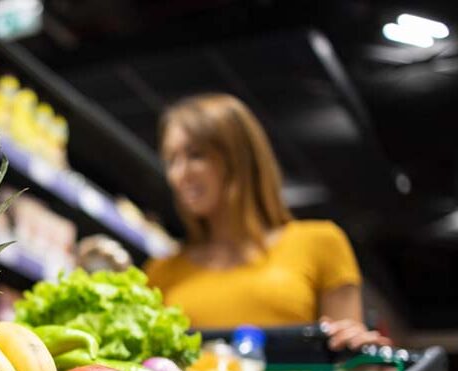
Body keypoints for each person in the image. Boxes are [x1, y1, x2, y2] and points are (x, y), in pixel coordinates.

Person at [144, 93, 390, 350]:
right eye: (172, 160)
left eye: (195, 155)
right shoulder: (160, 273)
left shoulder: (320, 242)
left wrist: (356, 347)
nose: (179, 174)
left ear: (238, 157)